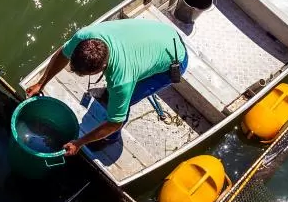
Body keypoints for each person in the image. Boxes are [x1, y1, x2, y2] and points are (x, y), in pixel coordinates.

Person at [26, 18, 188, 156]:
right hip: (161, 33)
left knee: (126, 100)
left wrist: (80, 142)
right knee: (115, 96)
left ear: (102, 68)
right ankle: (110, 98)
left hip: (174, 59)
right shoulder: (85, 36)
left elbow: (114, 122)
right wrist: (41, 83)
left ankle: (110, 139)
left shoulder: (121, 80)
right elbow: (63, 54)